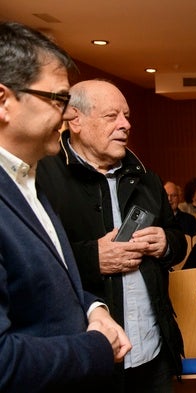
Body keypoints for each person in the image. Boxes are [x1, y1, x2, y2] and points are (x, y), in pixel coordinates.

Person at [0, 21, 130, 392]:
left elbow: (43, 286)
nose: (67, 114)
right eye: (58, 99)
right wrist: (96, 347)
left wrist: (94, 309)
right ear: (4, 101)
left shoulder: (28, 182)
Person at [37, 79, 186, 393]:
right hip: (89, 357)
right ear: (74, 120)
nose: (126, 124)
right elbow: (34, 264)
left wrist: (165, 242)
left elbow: (178, 239)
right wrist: (93, 258)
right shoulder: (44, 177)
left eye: (127, 115)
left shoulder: (147, 179)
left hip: (154, 353)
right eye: (112, 116)